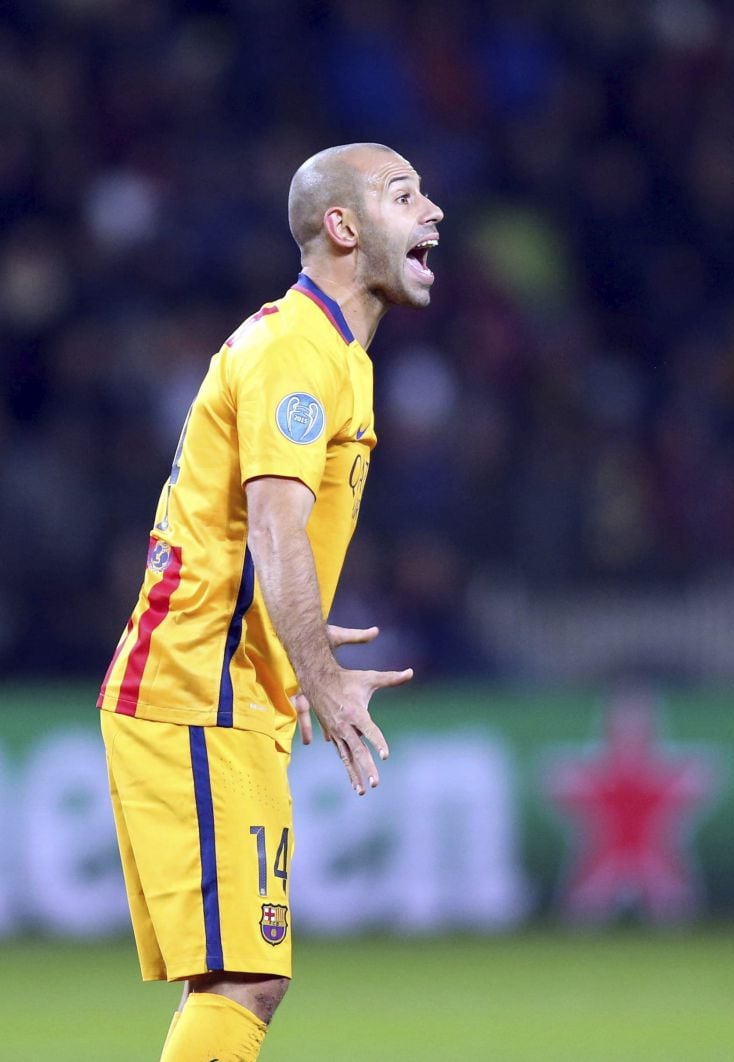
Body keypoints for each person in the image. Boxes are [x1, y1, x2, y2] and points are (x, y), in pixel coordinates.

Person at [98, 142, 443, 1061]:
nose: (434, 212)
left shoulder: (337, 355)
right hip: (194, 681)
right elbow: (274, 526)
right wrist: (323, 677)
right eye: (404, 196)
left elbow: (261, 541)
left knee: (248, 975)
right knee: (245, 974)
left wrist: (290, 626)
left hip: (232, 683)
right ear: (342, 226)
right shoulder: (295, 350)